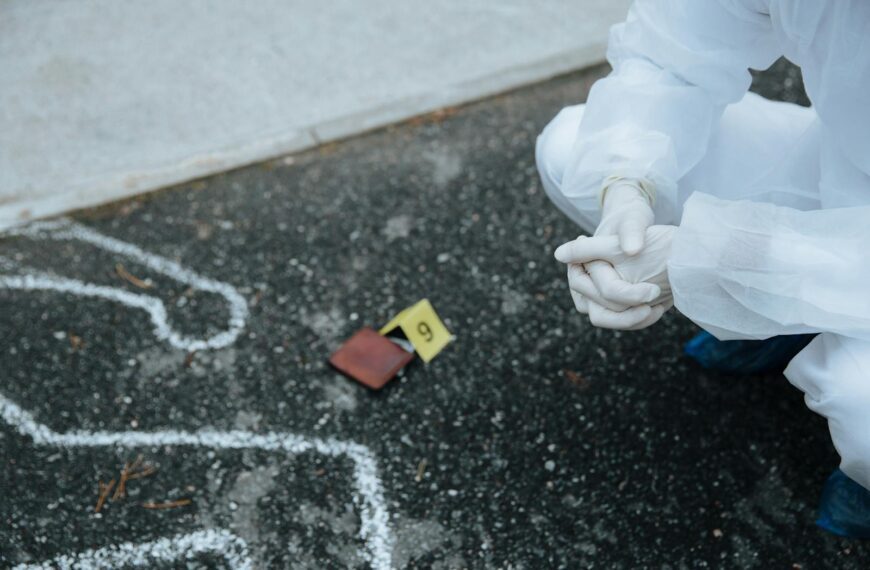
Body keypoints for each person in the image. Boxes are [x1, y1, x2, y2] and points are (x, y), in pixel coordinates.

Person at [536, 0, 870, 538]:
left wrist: (716, 258)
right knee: (575, 147)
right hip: (845, 168)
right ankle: (785, 320)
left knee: (865, 411)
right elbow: (673, 48)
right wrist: (627, 185)